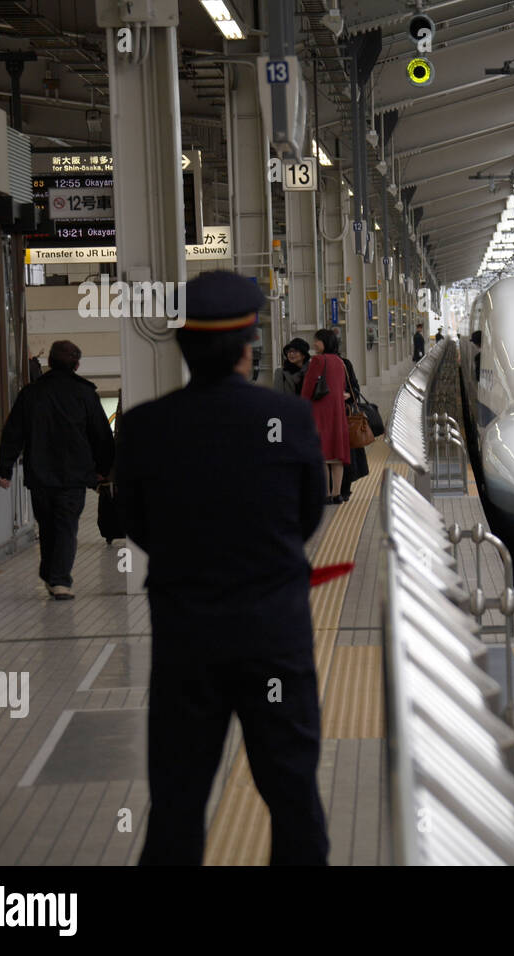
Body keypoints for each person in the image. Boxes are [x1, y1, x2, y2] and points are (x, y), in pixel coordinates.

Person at [116, 269, 328, 866]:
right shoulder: (288, 420)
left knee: (178, 803)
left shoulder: (144, 427)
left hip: (187, 645)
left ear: (182, 346)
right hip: (275, 644)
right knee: (293, 798)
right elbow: (308, 517)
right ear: (248, 346)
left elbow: (136, 523)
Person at [0, 340, 114, 600]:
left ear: (49, 362)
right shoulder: (85, 394)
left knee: (48, 525)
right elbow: (102, 436)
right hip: (74, 475)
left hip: (40, 474)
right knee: (65, 526)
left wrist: (5, 468)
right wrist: (103, 469)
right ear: (77, 364)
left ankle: (52, 574)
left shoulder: (31, 394)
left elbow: (13, 432)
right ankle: (58, 579)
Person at [301, 328, 351, 504]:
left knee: (321, 453)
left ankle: (326, 493)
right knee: (337, 454)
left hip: (320, 410)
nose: (314, 344)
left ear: (326, 342)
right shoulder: (339, 361)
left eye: (318, 341)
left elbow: (308, 387)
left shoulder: (317, 360)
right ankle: (337, 494)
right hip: (337, 411)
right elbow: (342, 386)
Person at [337, 346, 370, 503]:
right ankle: (334, 489)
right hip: (326, 417)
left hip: (346, 415)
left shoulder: (344, 364)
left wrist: (349, 395)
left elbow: (355, 388)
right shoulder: (316, 364)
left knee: (348, 452)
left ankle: (344, 487)